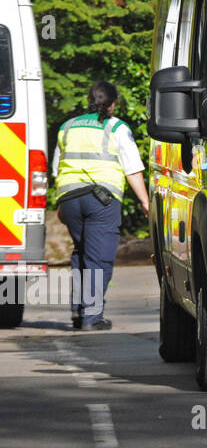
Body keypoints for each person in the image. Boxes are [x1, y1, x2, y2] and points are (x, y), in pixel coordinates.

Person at [49, 81, 149, 331]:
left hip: (70, 199)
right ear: (113, 104)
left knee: (81, 252)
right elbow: (133, 169)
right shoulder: (117, 127)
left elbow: (57, 169)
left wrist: (60, 203)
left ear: (89, 100)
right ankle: (91, 318)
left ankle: (79, 311)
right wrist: (146, 202)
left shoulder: (67, 126)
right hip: (101, 201)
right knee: (99, 258)